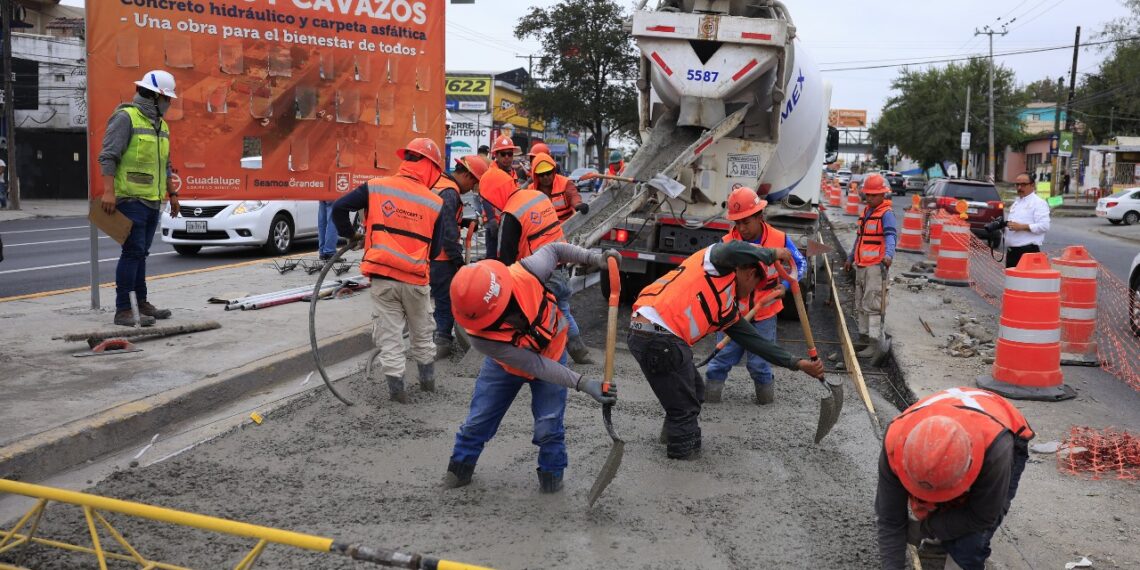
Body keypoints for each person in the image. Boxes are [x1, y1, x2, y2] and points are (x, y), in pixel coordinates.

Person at [443, 243, 619, 493]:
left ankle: (551, 479)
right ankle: (459, 470)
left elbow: (556, 250)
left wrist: (596, 258)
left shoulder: (527, 272)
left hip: (553, 352)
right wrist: (582, 382)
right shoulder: (480, 337)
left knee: (549, 426)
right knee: (478, 421)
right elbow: (534, 365)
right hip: (506, 367)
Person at [630, 241, 826, 459]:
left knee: (694, 389)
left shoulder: (726, 308)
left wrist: (797, 363)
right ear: (750, 274)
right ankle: (681, 460)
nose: (751, 293)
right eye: (755, 286)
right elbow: (731, 249)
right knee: (684, 408)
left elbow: (756, 341)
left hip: (652, 335)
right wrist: (771, 253)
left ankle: (670, 437)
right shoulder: (714, 266)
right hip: (659, 335)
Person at [332, 138, 447, 403]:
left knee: (390, 336)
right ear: (431, 167)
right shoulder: (434, 202)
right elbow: (436, 248)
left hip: (384, 278)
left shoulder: (376, 187)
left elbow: (339, 208)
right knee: (422, 334)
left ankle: (398, 394)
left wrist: (351, 235)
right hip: (416, 280)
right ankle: (428, 386)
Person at [876, 387, 1033, 570]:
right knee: (939, 516)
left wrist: (924, 529)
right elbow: (890, 520)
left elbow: (981, 516)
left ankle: (955, 550)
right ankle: (941, 542)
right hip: (962, 416)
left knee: (969, 546)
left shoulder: (996, 452)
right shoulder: (894, 443)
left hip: (1007, 429)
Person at [479, 167, 594, 364]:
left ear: (493, 194)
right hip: (561, 266)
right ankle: (578, 351)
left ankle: (549, 357)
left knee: (542, 316)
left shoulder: (511, 214)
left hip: (542, 274)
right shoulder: (537, 196)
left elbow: (505, 259)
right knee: (562, 308)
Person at [706, 186, 806, 405]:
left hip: (765, 312)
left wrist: (786, 287)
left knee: (760, 363)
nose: (742, 228)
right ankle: (709, 400)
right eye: (737, 222)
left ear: (760, 216)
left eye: (746, 222)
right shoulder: (727, 244)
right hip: (731, 313)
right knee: (720, 359)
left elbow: (799, 263)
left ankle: (765, 401)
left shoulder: (779, 239)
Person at [98, 70, 180, 327]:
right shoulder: (126, 117)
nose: (169, 104)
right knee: (132, 252)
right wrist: (109, 192)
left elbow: (165, 164)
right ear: (155, 97)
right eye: (167, 99)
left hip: (153, 200)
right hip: (130, 198)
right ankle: (123, 309)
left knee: (141, 253)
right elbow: (108, 155)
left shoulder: (161, 125)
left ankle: (141, 303)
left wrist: (172, 194)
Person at [431, 154, 490, 360]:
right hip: (440, 257)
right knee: (445, 300)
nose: (472, 188)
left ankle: (436, 336)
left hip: (428, 253)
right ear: (465, 175)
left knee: (438, 299)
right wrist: (459, 263)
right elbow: (447, 233)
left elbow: (441, 218)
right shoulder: (450, 193)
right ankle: (443, 341)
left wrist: (462, 222)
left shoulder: (439, 183)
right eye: (473, 182)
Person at [843, 173, 896, 356]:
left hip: (876, 266)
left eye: (874, 195)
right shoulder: (866, 212)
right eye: (868, 194)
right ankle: (864, 338)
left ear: (883, 195)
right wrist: (850, 258)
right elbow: (860, 238)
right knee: (861, 302)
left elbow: (891, 237)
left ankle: (874, 344)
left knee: (873, 303)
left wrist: (888, 256)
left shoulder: (886, 214)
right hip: (862, 265)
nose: (870, 198)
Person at [1005, 173, 1050, 269]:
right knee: (1011, 283)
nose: (1019, 187)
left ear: (1032, 185)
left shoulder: (1038, 203)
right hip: (1012, 251)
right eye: (1017, 184)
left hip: (1028, 252)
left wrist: (1021, 227)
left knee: (1024, 283)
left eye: (1023, 184)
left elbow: (1044, 226)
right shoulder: (1017, 203)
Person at [528, 152, 586, 223]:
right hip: (543, 229)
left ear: (553, 171)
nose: (545, 177)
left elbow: (573, 196)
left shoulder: (565, 183)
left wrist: (578, 205)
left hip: (566, 226)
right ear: (536, 175)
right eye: (541, 174)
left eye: (548, 173)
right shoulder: (530, 190)